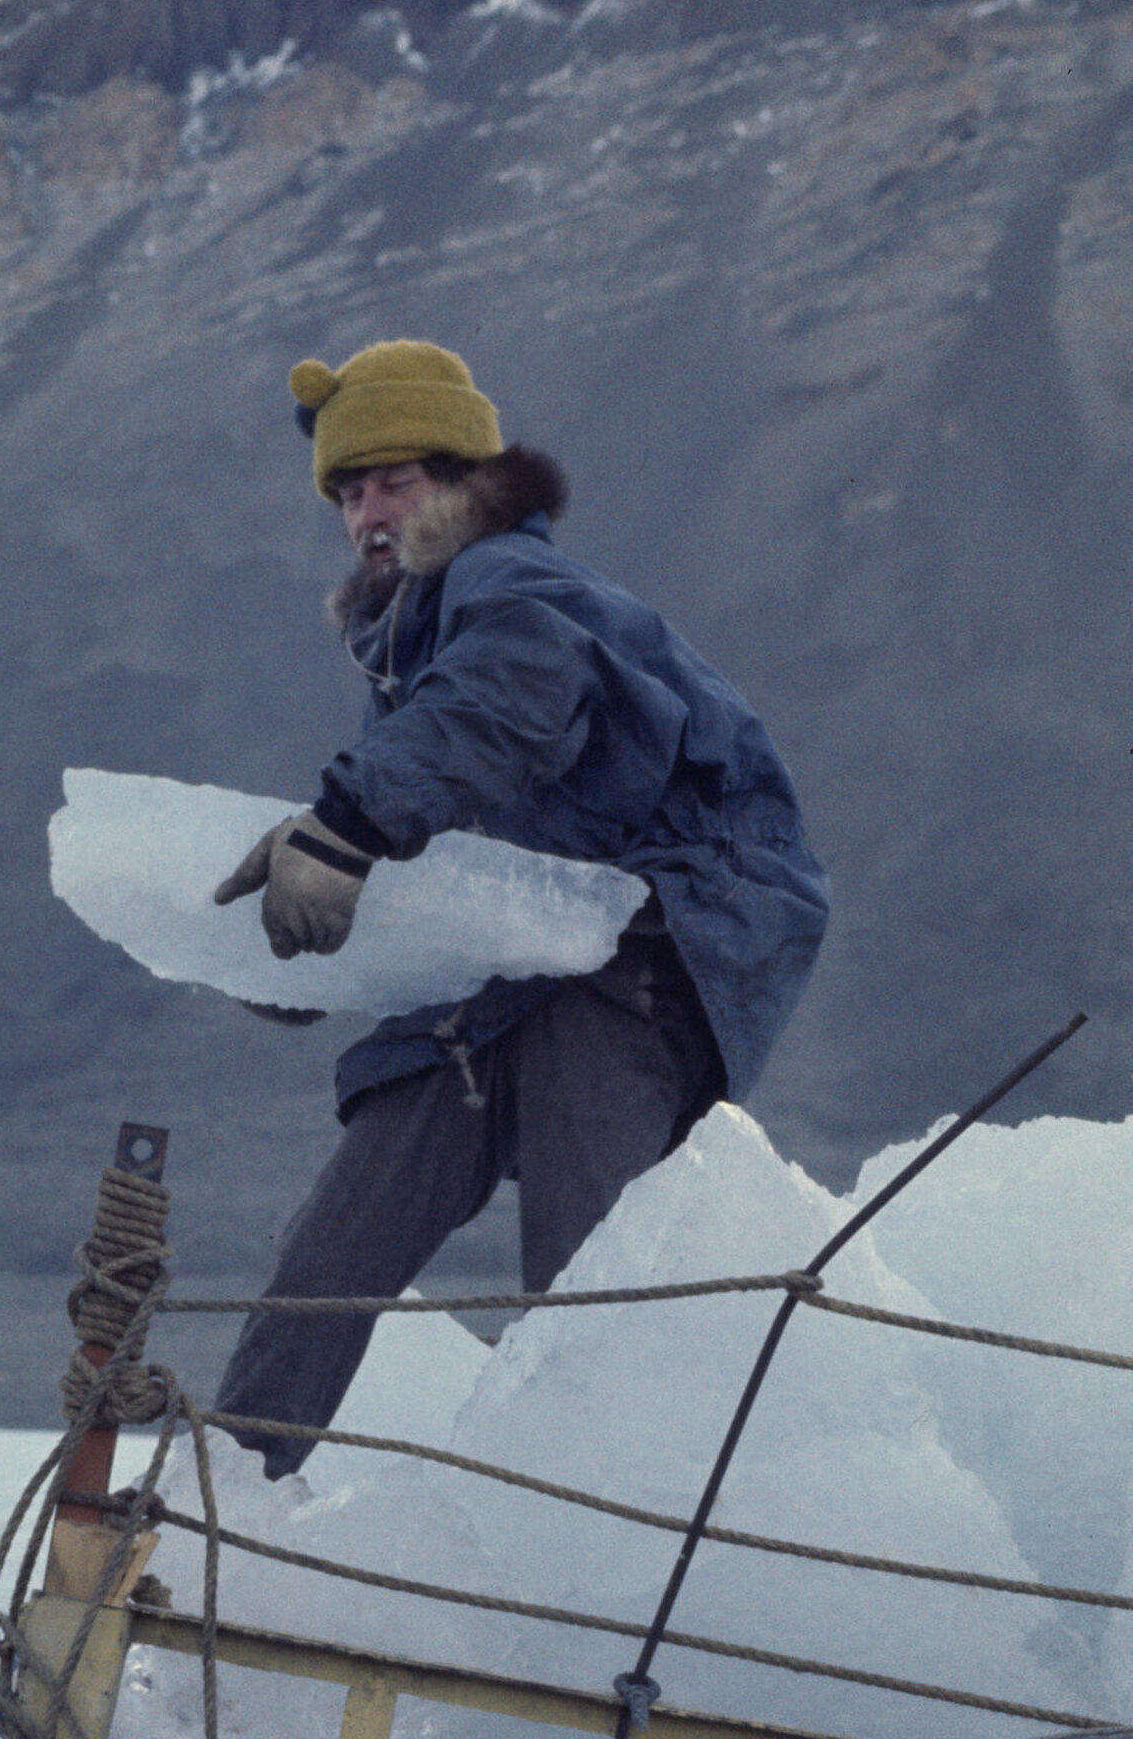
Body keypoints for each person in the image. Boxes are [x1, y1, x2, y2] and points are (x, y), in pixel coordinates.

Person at [212, 339, 829, 1481]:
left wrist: (345, 826)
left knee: (581, 1286)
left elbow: (508, 704)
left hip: (651, 940)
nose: (367, 515)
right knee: (338, 1239)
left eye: (393, 482)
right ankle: (219, 1520)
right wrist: (321, 960)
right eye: (348, 493)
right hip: (512, 973)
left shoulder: (512, 584)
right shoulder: (415, 647)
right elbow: (445, 823)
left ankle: (598, 1559)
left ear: (462, 485)